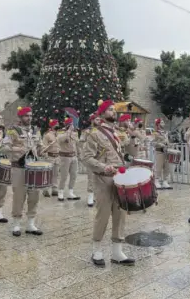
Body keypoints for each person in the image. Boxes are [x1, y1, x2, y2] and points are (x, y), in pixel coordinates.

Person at [82, 99, 135, 268]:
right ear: (102, 113)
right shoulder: (94, 134)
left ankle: (117, 252)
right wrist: (104, 167)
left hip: (119, 177)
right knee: (103, 215)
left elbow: (124, 153)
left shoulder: (117, 133)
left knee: (120, 214)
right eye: (110, 110)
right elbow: (86, 157)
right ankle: (96, 249)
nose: (114, 112)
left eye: (114, 110)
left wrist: (132, 139)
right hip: (103, 178)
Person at [1, 106, 43, 237]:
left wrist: (42, 151)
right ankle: (17, 224)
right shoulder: (13, 131)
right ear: (20, 117)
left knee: (34, 196)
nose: (29, 118)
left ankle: (31, 224)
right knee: (19, 196)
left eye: (30, 116)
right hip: (19, 168)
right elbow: (3, 148)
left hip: (34, 168)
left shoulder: (36, 130)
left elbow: (40, 146)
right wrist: (15, 150)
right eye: (26, 116)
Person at [57, 117, 80, 201]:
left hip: (73, 156)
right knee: (64, 176)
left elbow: (76, 144)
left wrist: (78, 154)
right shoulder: (61, 132)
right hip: (65, 157)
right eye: (71, 124)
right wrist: (68, 131)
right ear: (67, 125)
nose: (73, 126)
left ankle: (70, 191)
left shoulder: (74, 133)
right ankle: (61, 192)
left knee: (74, 175)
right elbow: (61, 140)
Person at [81, 114, 101, 206]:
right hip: (91, 156)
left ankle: (97, 196)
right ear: (92, 120)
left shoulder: (102, 130)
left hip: (101, 157)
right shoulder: (87, 131)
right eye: (97, 119)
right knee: (91, 177)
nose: (99, 121)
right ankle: (90, 197)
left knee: (100, 178)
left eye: (99, 119)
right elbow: (81, 142)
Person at [152, 118, 173, 190]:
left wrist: (169, 144)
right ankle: (156, 180)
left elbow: (167, 141)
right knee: (158, 167)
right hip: (159, 151)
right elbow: (152, 143)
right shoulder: (155, 133)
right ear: (158, 124)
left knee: (167, 167)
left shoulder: (165, 132)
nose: (163, 123)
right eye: (162, 122)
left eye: (163, 122)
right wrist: (160, 144)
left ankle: (165, 181)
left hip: (166, 152)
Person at [41, 119, 60, 198]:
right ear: (52, 126)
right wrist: (46, 156)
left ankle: (54, 189)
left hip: (57, 157)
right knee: (47, 174)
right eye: (56, 124)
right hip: (50, 156)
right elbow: (43, 146)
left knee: (56, 174)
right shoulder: (47, 135)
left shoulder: (59, 135)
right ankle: (45, 189)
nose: (58, 125)